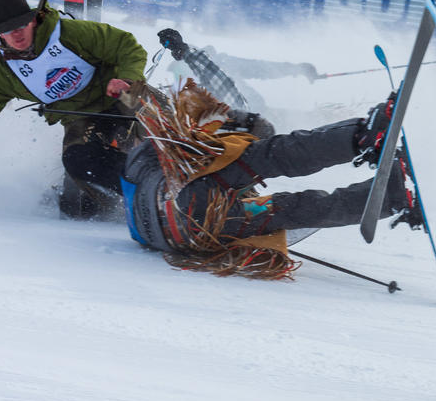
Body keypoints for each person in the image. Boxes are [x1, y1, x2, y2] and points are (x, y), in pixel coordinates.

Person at [122, 81, 416, 279]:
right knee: (273, 155)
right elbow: (213, 127)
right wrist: (243, 121)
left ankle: (391, 200)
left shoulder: (133, 200)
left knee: (289, 209)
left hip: (191, 234)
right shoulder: (153, 148)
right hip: (184, 197)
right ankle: (361, 137)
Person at [0, 0, 146, 217]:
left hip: (121, 93)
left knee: (154, 121)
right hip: (80, 116)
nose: (16, 35)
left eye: (21, 26)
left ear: (33, 20)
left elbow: (127, 45)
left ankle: (182, 161)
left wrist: (128, 78)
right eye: (7, 30)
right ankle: (146, 189)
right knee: (77, 165)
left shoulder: (68, 33)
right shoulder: (3, 72)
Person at [156, 29, 318, 112]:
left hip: (250, 113)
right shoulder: (183, 86)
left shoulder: (218, 64)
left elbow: (261, 68)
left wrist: (298, 69)